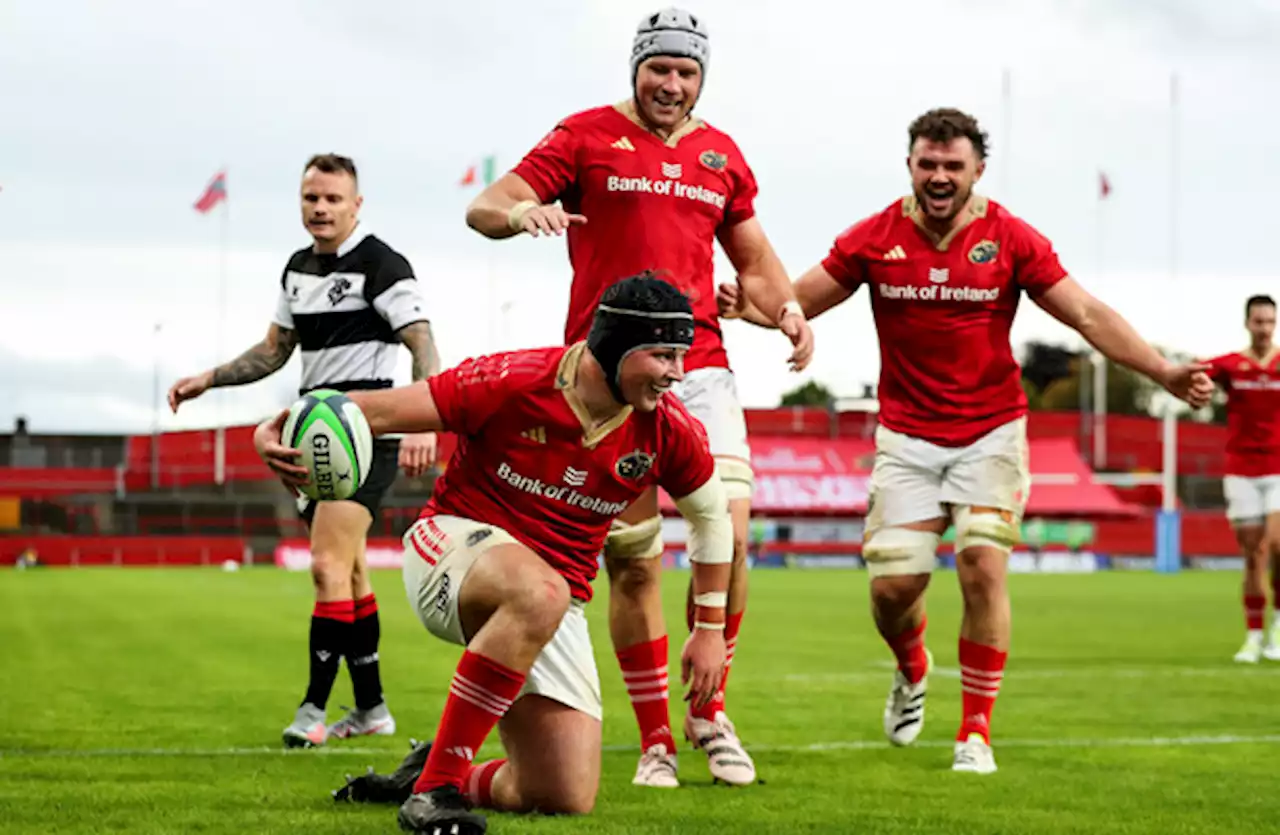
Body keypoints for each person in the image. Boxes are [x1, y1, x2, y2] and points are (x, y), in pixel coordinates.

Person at [718, 107, 1214, 774]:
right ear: (911, 167)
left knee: (982, 565)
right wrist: (743, 307)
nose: (941, 176)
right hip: (906, 439)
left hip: (991, 433)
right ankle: (912, 664)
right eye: (929, 163)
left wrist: (1162, 370)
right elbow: (797, 300)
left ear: (978, 168)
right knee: (895, 588)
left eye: (954, 165)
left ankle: (975, 731)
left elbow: (1087, 312)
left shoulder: (1010, 237)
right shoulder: (875, 237)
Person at [461, 6, 813, 787]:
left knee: (732, 529)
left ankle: (709, 711)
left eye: (687, 72)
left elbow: (754, 257)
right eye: (660, 68)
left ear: (702, 79)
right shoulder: (584, 134)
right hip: (607, 375)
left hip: (703, 365)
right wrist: (525, 211)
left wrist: (784, 307)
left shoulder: (721, 154)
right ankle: (657, 739)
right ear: (636, 68)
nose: (672, 84)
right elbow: (485, 205)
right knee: (633, 561)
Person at [255, 274, 733, 834]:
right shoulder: (512, 380)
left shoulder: (668, 428)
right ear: (615, 346)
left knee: (560, 792)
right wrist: (277, 426)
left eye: (682, 354)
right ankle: (435, 793)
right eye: (662, 354)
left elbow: (712, 520)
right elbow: (369, 412)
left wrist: (709, 628)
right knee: (540, 592)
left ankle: (427, 769)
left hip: (553, 599)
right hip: (451, 549)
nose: (677, 373)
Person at [168, 153, 441, 748]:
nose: (320, 209)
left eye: (333, 199)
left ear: (356, 205)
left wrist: (427, 418)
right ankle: (371, 711)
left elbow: (422, 341)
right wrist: (207, 379)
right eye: (311, 198)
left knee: (324, 567)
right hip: (313, 433)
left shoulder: (382, 264)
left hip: (366, 433)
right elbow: (274, 351)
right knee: (351, 570)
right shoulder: (296, 270)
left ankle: (312, 709)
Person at [1203, 295, 1280, 663]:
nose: (1264, 329)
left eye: (1270, 322)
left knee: (1278, 545)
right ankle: (1253, 635)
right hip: (1241, 469)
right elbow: (1194, 377)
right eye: (1258, 322)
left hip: (1278, 467)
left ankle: (1278, 626)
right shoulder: (1231, 366)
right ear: (1247, 323)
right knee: (1254, 554)